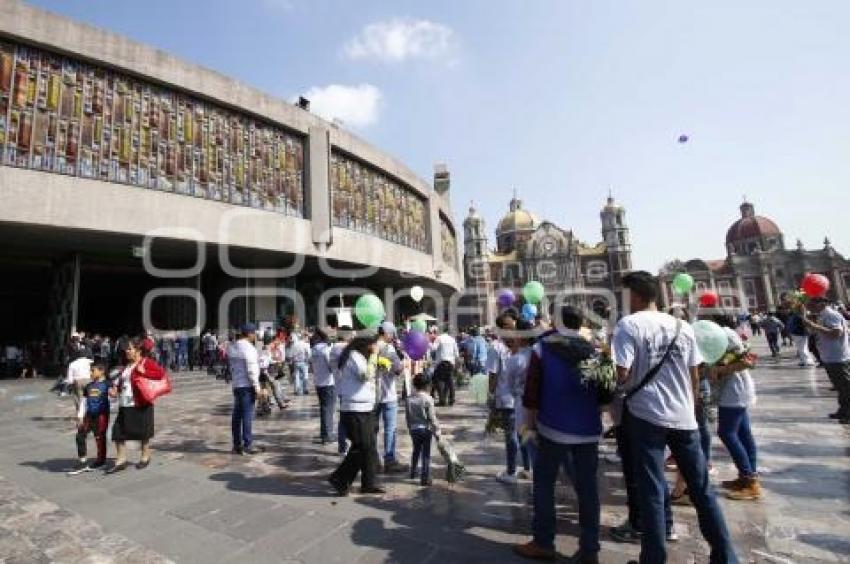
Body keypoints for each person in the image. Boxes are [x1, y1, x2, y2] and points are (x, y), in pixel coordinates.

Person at [612, 271, 738, 564]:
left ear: (636, 295)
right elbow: (695, 374)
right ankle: (726, 556)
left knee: (652, 490)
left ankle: (653, 558)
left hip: (646, 415)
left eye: (625, 294)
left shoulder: (629, 325)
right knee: (702, 489)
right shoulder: (682, 326)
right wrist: (690, 408)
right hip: (685, 417)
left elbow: (621, 373)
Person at [514, 306, 601, 563]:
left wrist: (529, 427)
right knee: (588, 490)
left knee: (543, 484)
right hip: (587, 429)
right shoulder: (592, 351)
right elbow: (604, 393)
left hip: (552, 427)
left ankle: (543, 542)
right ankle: (590, 549)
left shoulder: (543, 349)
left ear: (556, 322)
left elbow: (531, 393)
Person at [328, 335, 385, 496]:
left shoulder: (358, 357)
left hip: (365, 407)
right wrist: (374, 356)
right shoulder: (354, 356)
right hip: (355, 409)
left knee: (369, 446)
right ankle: (340, 478)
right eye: (372, 347)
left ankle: (369, 483)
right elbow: (364, 375)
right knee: (362, 446)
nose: (374, 349)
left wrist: (377, 363)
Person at [710, 323, 760, 500]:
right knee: (744, 434)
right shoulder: (726, 334)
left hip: (734, 391)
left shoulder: (724, 336)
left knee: (727, 433)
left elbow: (745, 362)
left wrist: (717, 369)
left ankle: (749, 480)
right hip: (735, 389)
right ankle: (747, 476)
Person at [109, 337, 165, 473]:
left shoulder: (146, 362)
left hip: (141, 403)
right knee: (118, 432)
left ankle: (145, 456)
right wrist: (115, 390)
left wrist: (144, 371)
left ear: (138, 350)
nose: (126, 351)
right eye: (126, 349)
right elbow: (123, 383)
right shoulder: (127, 366)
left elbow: (160, 374)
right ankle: (121, 460)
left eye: (129, 349)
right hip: (125, 403)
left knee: (143, 432)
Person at [804, 297, 850, 423]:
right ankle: (844, 410)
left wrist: (813, 326)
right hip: (830, 356)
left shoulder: (831, 314)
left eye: (811, 303)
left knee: (846, 387)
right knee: (840, 386)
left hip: (838, 356)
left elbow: (836, 334)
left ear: (821, 304)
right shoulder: (822, 315)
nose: (809, 305)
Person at [68, 362, 111, 474]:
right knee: (80, 435)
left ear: (101, 371)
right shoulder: (89, 386)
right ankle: (83, 461)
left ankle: (101, 460)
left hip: (101, 416)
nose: (90, 373)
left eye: (93, 370)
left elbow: (114, 397)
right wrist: (80, 416)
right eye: (90, 371)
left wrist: (113, 394)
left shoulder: (108, 384)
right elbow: (83, 401)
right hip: (88, 415)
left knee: (99, 438)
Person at [229, 324, 264, 455]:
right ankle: (248, 444)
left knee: (237, 416)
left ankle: (236, 444)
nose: (255, 335)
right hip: (247, 386)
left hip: (237, 385)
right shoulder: (249, 348)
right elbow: (252, 369)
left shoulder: (233, 347)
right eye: (254, 333)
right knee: (247, 416)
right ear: (249, 334)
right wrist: (257, 387)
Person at [375, 322, 405, 472]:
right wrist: (403, 362)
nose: (393, 336)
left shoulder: (370, 347)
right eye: (392, 334)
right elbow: (398, 370)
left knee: (373, 429)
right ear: (386, 334)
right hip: (388, 394)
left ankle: (373, 460)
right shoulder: (389, 348)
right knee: (390, 429)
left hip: (372, 396)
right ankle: (389, 460)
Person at [405, 373, 440, 486]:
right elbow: (431, 417)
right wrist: (437, 429)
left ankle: (413, 471)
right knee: (425, 454)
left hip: (414, 430)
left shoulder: (409, 399)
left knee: (416, 450)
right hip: (425, 430)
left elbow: (407, 416)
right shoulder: (428, 399)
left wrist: (410, 428)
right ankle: (425, 478)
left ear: (415, 385)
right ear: (427, 385)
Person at [310, 328, 336, 445]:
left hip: (318, 381)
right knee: (329, 409)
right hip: (328, 382)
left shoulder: (314, 350)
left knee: (323, 408)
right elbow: (331, 367)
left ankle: (324, 432)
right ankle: (328, 435)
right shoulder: (326, 350)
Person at [430, 327, 460, 406]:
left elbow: (433, 348)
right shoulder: (452, 339)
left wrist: (430, 342)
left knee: (439, 381)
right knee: (450, 381)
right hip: (450, 363)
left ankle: (442, 400)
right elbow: (456, 354)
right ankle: (452, 399)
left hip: (441, 362)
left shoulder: (439, 338)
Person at [289, 331, 311, 396]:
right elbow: (309, 354)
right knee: (305, 376)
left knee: (297, 376)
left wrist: (292, 360)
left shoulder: (294, 345)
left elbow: (291, 354)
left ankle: (297, 390)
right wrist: (308, 360)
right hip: (304, 362)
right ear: (304, 338)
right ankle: (305, 389)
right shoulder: (306, 344)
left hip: (296, 362)